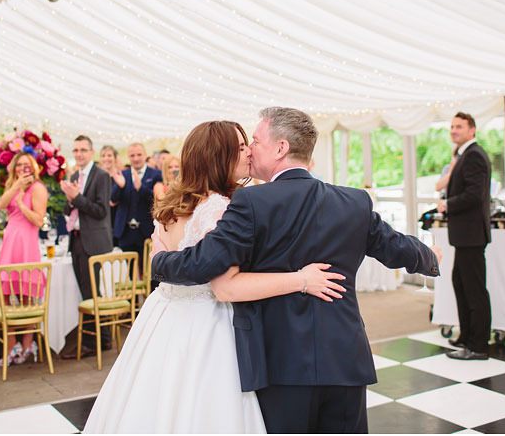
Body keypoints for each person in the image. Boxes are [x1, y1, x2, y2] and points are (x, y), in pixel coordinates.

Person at [151, 107, 440, 434]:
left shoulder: (250, 203)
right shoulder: (353, 201)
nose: (249, 150)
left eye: (256, 141)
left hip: (281, 364)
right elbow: (395, 246)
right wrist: (430, 257)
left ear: (280, 148)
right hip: (345, 360)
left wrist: (159, 260)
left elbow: (202, 263)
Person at [82, 120, 346, 434]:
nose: (248, 152)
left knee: (154, 401)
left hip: (163, 316)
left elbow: (158, 261)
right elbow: (225, 287)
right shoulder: (224, 208)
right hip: (209, 323)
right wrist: (301, 279)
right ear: (217, 157)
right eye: (239, 147)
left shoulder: (170, 204)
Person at [436, 112, 493, 360]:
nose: (453, 130)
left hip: (471, 235)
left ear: (472, 130)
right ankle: (467, 336)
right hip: (464, 236)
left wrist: (447, 204)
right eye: (451, 126)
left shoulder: (474, 156)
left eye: (459, 126)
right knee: (461, 284)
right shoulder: (464, 155)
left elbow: (473, 195)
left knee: (474, 289)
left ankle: (478, 345)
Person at [0, 153, 47, 365]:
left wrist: (22, 206)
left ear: (33, 168)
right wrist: (16, 187)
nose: (23, 168)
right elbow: (1, 204)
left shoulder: (38, 188)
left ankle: (28, 345)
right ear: (15, 168)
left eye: (27, 165)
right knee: (2, 293)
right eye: (19, 165)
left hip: (26, 242)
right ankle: (11, 344)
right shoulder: (13, 185)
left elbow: (38, 220)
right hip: (10, 243)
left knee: (27, 295)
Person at [63, 135, 112, 353]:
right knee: (86, 291)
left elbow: (101, 210)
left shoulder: (101, 175)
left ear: (92, 152)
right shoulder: (75, 175)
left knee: (93, 292)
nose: (79, 154)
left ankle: (96, 342)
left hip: (94, 241)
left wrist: (77, 197)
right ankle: (101, 338)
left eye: (83, 150)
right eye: (75, 150)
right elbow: (69, 209)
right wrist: (69, 197)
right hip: (76, 239)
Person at [110, 143, 162, 257]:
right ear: (128, 157)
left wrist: (141, 189)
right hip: (126, 231)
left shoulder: (156, 174)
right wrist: (120, 186)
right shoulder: (122, 174)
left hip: (147, 231)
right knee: (130, 271)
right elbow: (113, 199)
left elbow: (158, 201)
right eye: (132, 155)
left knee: (147, 271)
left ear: (145, 155)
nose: (136, 158)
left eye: (139, 154)